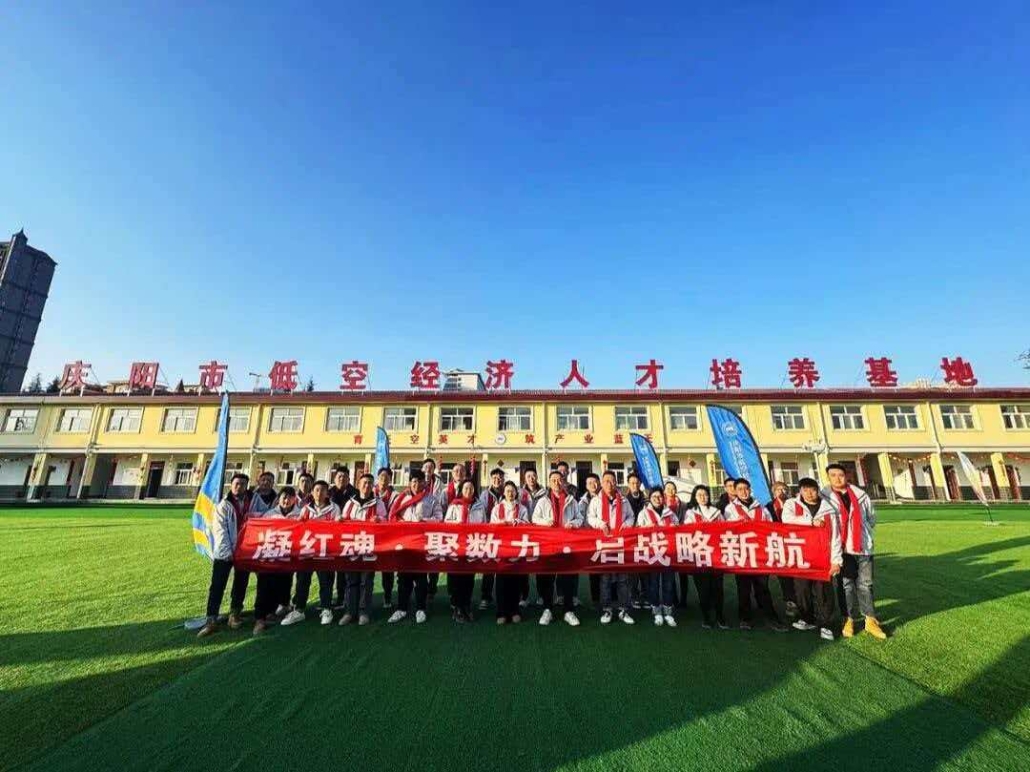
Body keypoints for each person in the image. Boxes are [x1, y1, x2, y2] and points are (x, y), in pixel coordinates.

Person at [823, 463, 887, 640]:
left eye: (840, 475)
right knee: (846, 586)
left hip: (863, 547)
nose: (837, 478)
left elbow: (871, 518)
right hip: (841, 548)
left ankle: (870, 619)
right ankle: (848, 618)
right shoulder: (824, 496)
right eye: (833, 475)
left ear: (847, 476)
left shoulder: (860, 495)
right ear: (828, 477)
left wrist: (862, 532)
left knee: (866, 584)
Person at [723, 478, 788, 632]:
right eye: (740, 489)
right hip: (742, 555)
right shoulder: (730, 509)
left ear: (750, 489)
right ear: (735, 491)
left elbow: (770, 527)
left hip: (760, 555)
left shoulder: (761, 507)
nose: (744, 492)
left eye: (746, 488)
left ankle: (772, 618)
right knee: (743, 588)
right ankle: (745, 619)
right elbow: (728, 530)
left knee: (763, 588)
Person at [781, 477, 842, 641]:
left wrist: (836, 560)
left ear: (817, 491)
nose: (809, 493)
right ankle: (806, 618)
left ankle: (826, 624)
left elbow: (835, 536)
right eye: (805, 490)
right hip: (801, 555)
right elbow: (786, 519)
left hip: (822, 557)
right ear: (800, 491)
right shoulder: (791, 504)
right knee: (802, 589)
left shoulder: (828, 509)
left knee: (823, 591)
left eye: (813, 490)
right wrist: (810, 522)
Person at [197, 473, 253, 637]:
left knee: (241, 583)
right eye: (236, 484)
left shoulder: (251, 502)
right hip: (225, 553)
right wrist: (228, 552)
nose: (239, 487)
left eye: (243, 484)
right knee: (217, 585)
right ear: (231, 485)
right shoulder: (224, 505)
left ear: (246, 486)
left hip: (244, 550)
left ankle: (235, 613)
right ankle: (211, 618)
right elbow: (220, 531)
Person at [281, 480, 340, 627]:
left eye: (323, 490)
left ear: (327, 493)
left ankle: (326, 609)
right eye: (317, 490)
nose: (320, 493)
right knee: (302, 580)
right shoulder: (306, 509)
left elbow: (338, 529)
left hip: (325, 552)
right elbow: (299, 528)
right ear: (312, 493)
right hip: (307, 551)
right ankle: (299, 610)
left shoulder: (334, 509)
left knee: (326, 581)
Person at [387, 470, 443, 624]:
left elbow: (439, 518)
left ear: (425, 483)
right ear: (410, 483)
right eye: (414, 481)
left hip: (422, 544)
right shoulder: (401, 498)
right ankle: (401, 608)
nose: (416, 484)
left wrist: (424, 521)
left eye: (419, 481)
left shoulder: (431, 499)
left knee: (421, 578)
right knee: (403, 578)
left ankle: (421, 608)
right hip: (404, 543)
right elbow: (392, 517)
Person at [531, 470, 585, 626]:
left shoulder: (571, 500)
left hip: (566, 544)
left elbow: (580, 518)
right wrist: (545, 522)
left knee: (567, 577)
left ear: (563, 482)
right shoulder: (543, 500)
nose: (556, 482)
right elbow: (534, 518)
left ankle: (568, 611)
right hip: (548, 544)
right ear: (549, 483)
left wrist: (573, 524)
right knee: (547, 578)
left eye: (559, 480)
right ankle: (547, 609)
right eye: (553, 480)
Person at [587, 470, 636, 625]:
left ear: (616, 483)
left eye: (612, 481)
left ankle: (623, 609)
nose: (609, 483)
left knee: (623, 579)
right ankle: (607, 609)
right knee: (605, 579)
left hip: (621, 544)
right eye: (606, 481)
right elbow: (590, 517)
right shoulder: (595, 501)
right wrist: (600, 524)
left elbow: (631, 516)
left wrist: (626, 525)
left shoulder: (624, 500)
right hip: (604, 544)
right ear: (602, 483)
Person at [338, 473, 387, 626]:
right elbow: (342, 521)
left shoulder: (378, 503)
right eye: (364, 482)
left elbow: (386, 521)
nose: (367, 486)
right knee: (351, 580)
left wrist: (379, 520)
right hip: (352, 547)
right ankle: (349, 611)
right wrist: (340, 520)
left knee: (366, 581)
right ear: (358, 484)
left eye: (370, 483)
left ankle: (363, 611)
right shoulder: (350, 503)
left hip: (369, 547)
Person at [252, 486, 300, 635]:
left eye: (290, 498)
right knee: (265, 585)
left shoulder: (299, 515)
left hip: (288, 557)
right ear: (279, 499)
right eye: (284, 497)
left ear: (294, 500)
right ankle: (260, 618)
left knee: (284, 583)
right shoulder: (270, 514)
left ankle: (275, 610)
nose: (286, 500)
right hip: (270, 556)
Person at [682, 484, 727, 629]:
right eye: (699, 495)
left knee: (718, 588)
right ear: (695, 497)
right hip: (699, 556)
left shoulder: (716, 512)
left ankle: (720, 616)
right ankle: (706, 617)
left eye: (705, 494)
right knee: (703, 589)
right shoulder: (690, 513)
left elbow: (725, 529)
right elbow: (687, 531)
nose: (703, 497)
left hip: (716, 556)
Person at [636, 487, 679, 627]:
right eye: (654, 497)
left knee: (668, 584)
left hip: (668, 554)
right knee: (653, 584)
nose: (657, 499)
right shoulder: (643, 513)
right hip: (652, 554)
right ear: (650, 499)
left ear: (663, 498)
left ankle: (668, 612)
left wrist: (673, 527)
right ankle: (656, 611)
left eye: (659, 496)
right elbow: (638, 532)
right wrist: (648, 528)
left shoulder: (670, 513)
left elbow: (679, 529)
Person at [444, 480, 486, 622]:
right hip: (456, 545)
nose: (469, 490)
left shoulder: (480, 506)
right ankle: (457, 607)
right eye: (466, 488)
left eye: (471, 488)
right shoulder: (454, 505)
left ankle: (467, 605)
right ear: (461, 490)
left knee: (469, 578)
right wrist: (460, 527)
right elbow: (447, 523)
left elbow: (484, 525)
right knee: (457, 578)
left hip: (472, 546)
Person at [490, 481, 529, 624]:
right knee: (501, 579)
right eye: (507, 491)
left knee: (515, 579)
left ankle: (514, 610)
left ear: (516, 493)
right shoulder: (497, 508)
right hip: (501, 546)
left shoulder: (522, 508)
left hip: (516, 546)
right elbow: (491, 525)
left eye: (512, 491)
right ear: (503, 493)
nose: (510, 493)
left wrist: (517, 522)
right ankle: (501, 612)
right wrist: (502, 524)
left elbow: (527, 524)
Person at [766, 480, 797, 618]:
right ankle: (790, 602)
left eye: (784, 489)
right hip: (778, 544)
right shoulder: (769, 507)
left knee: (798, 575)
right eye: (779, 489)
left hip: (794, 542)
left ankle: (802, 601)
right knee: (784, 576)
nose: (782, 492)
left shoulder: (795, 504)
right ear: (774, 493)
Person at [477, 467, 505, 610]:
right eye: (494, 478)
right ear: (491, 479)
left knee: (504, 566)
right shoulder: (484, 495)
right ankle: (485, 597)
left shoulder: (508, 492)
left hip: (505, 536)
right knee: (488, 567)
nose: (497, 480)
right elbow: (482, 513)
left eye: (499, 478)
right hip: (490, 535)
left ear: (503, 479)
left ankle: (504, 597)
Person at [330, 466, 358, 609]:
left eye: (345, 477)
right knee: (329, 569)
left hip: (349, 536)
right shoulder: (328, 493)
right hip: (331, 536)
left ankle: (345, 599)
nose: (342, 479)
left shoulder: (355, 493)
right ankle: (328, 600)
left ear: (349, 478)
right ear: (335, 478)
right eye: (339, 476)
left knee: (346, 570)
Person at [519, 468, 547, 608]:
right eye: (528, 476)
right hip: (524, 533)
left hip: (540, 533)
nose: (531, 478)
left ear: (537, 477)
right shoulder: (519, 493)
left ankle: (542, 595)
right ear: (525, 478)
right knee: (523, 565)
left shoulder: (545, 493)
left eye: (533, 476)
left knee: (541, 565)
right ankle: (524, 596)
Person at [375, 467, 398, 609]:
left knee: (387, 567)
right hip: (371, 535)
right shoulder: (370, 492)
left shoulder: (396, 495)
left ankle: (387, 595)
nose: (383, 479)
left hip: (389, 535)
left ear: (390, 479)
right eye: (381, 476)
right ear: (377, 478)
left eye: (386, 477)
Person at [421, 459, 445, 600]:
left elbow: (442, 502)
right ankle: (422, 587)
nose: (428, 469)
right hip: (420, 528)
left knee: (434, 558)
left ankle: (432, 587)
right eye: (426, 466)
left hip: (436, 526)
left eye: (431, 467)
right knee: (421, 557)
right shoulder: (417, 481)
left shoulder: (439, 484)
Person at [624, 473, 648, 609]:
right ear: (628, 484)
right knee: (632, 570)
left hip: (645, 539)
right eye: (632, 482)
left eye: (637, 482)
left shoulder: (646, 499)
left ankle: (645, 596)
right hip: (630, 540)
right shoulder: (624, 500)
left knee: (645, 569)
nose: (635, 485)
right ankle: (633, 596)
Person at [579, 473, 603, 605]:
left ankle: (612, 598)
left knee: (608, 567)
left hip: (605, 538)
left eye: (595, 482)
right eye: (590, 483)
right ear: (586, 486)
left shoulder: (606, 497)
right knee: (593, 569)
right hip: (590, 540)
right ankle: (596, 598)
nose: (593, 485)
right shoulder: (582, 502)